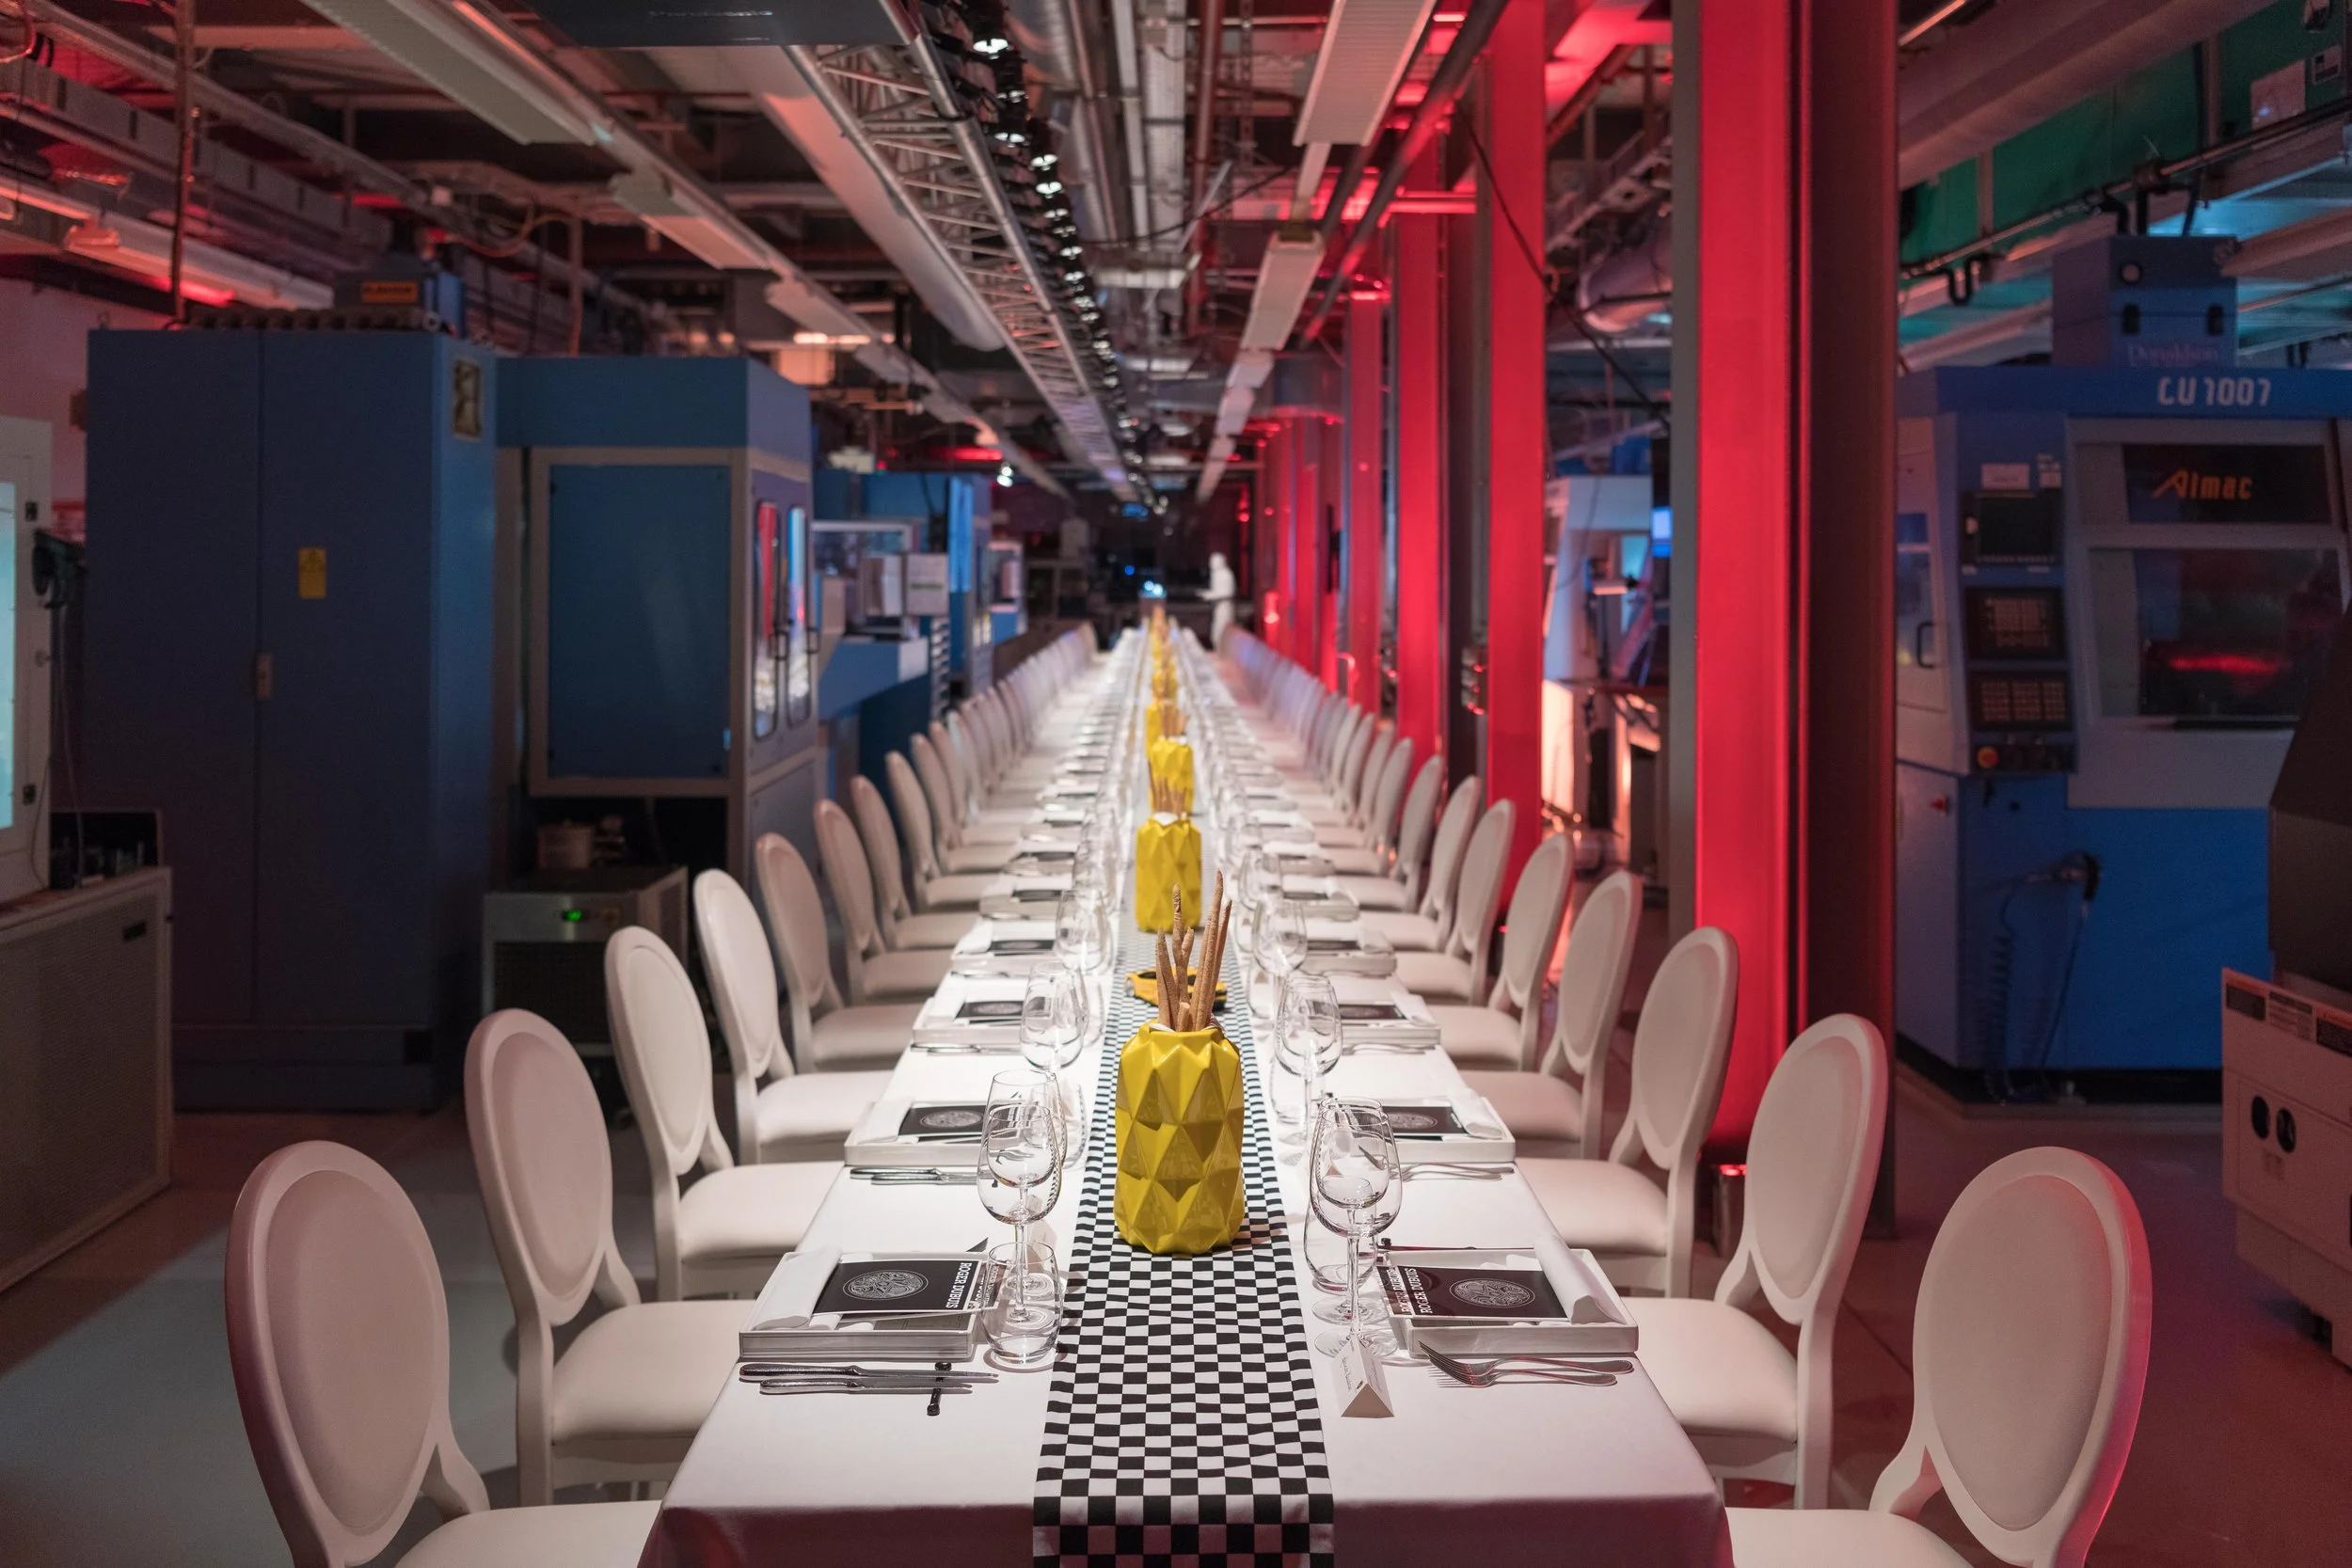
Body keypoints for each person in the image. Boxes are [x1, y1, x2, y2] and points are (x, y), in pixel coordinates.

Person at [1205, 550, 1237, 646]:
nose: (1211, 565)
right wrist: (1208, 594)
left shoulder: (1226, 574)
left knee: (1222, 633)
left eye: (1213, 562)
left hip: (1225, 608)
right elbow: (1218, 591)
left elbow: (1229, 592)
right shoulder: (1216, 574)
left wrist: (1211, 595)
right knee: (1216, 634)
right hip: (1217, 607)